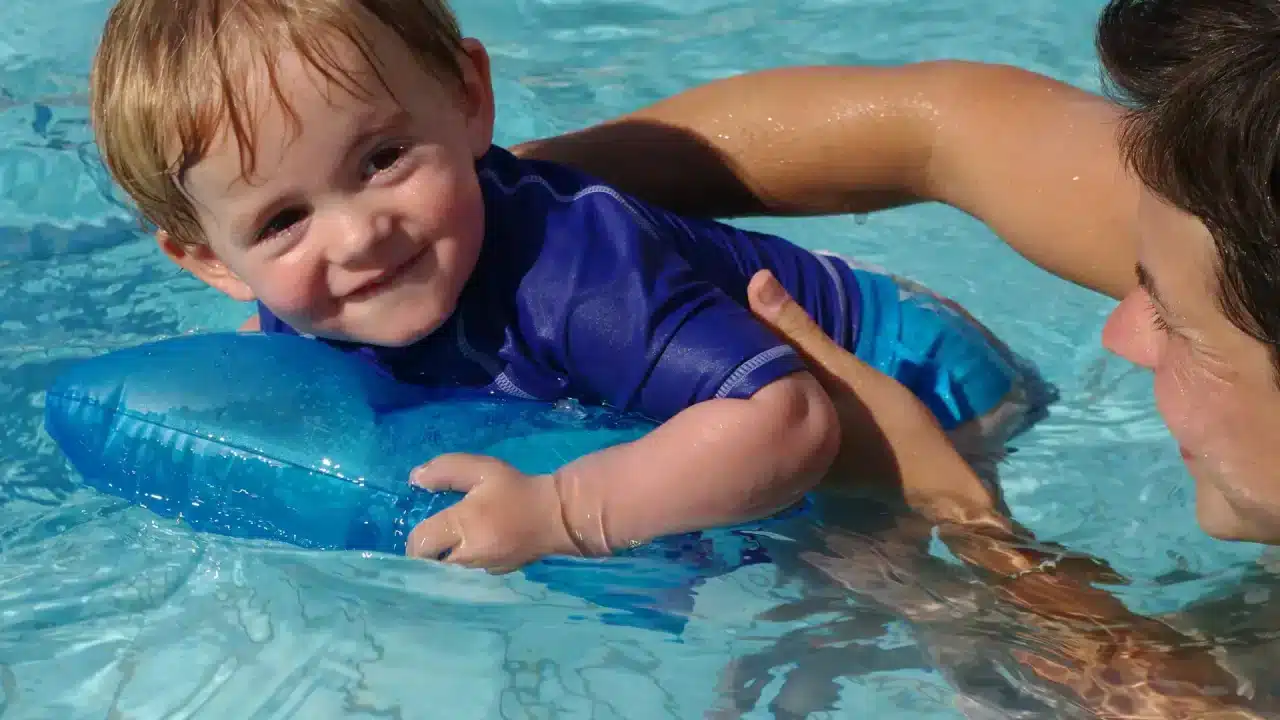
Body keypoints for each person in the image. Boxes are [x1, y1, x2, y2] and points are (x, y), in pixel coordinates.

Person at [511, 0, 1280, 715]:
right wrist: (511, 204)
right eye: (1136, 275)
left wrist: (957, 518)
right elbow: (935, 126)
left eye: (1175, 322)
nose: (1122, 333)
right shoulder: (1232, 211)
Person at [87, 0, 1031, 574]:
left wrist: (566, 514)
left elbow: (788, 421)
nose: (359, 232)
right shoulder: (300, 306)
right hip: (738, 384)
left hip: (909, 375)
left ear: (468, 101)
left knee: (889, 593)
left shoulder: (574, 272)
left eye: (381, 157)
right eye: (282, 221)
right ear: (212, 260)